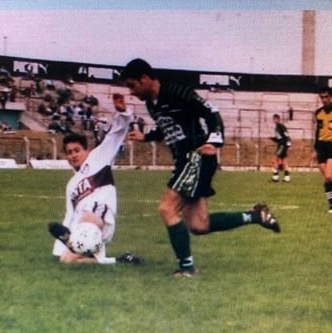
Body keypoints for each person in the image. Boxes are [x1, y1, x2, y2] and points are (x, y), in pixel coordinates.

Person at [120, 58, 280, 277]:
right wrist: (146, 136)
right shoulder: (151, 103)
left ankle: (187, 269)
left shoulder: (177, 92)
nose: (131, 91)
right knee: (199, 225)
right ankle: (255, 216)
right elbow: (167, 127)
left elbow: (211, 112)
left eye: (132, 85)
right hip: (185, 161)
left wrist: (213, 141)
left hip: (195, 157)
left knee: (167, 208)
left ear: (145, 78)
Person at [49, 93, 141, 265]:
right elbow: (70, 214)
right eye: (69, 152)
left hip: (100, 214)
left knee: (89, 216)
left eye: (77, 150)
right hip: (84, 225)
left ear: (86, 150)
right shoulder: (72, 185)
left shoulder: (98, 158)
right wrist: (59, 247)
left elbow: (115, 135)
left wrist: (123, 113)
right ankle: (120, 261)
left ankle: (83, 245)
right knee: (66, 261)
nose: (73, 155)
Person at [313, 87, 332, 213]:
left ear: (331, 97)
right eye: (322, 97)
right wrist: (315, 149)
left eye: (326, 97)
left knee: (329, 176)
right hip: (321, 147)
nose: (324, 99)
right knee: (327, 179)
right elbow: (318, 131)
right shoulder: (318, 113)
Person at [270, 114, 291, 182]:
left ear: (278, 119)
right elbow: (279, 138)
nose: (274, 120)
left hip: (283, 145)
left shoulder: (281, 126)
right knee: (284, 161)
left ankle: (275, 177)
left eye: (276, 119)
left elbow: (286, 135)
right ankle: (287, 178)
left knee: (276, 159)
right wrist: (273, 139)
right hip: (280, 145)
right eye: (274, 119)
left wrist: (288, 143)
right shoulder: (276, 127)